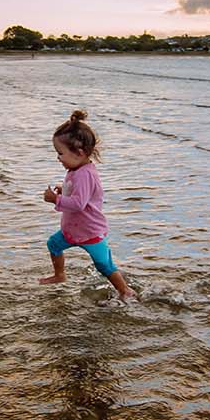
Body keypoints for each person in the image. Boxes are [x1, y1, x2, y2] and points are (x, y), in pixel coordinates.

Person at [41, 109, 133, 299]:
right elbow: (77, 194)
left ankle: (124, 290)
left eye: (60, 153)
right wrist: (63, 189)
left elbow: (78, 204)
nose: (58, 157)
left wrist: (56, 199)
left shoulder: (84, 174)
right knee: (53, 244)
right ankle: (60, 275)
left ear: (79, 153)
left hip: (89, 232)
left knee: (104, 264)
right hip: (73, 230)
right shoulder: (76, 168)